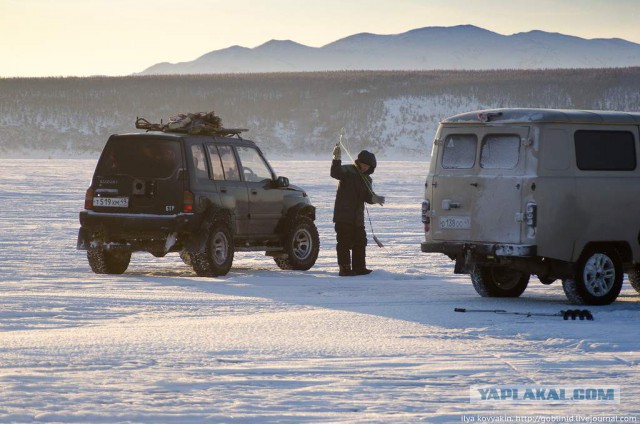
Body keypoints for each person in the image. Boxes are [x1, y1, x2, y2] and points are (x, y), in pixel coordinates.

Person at [331, 144, 385, 276]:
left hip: (358, 218)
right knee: (344, 242)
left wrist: (375, 199)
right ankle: (344, 269)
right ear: (358, 162)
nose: (365, 167)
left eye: (368, 166)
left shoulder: (367, 179)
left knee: (360, 242)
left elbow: (367, 197)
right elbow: (335, 173)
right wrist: (336, 158)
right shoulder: (348, 171)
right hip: (343, 216)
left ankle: (359, 267)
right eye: (363, 164)